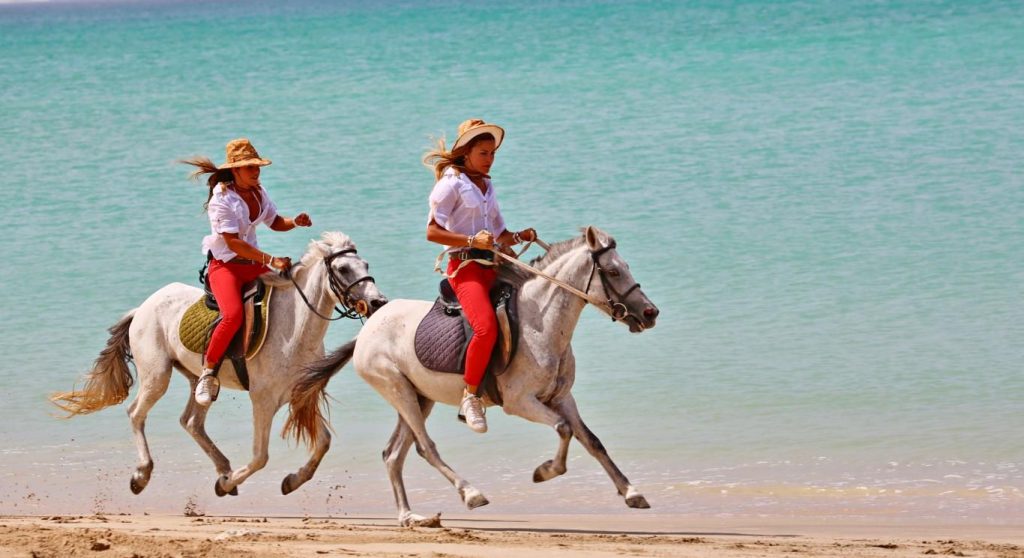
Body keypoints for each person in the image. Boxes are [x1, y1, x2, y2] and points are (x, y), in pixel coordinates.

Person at [424, 119, 536, 433]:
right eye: (483, 153)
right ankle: (470, 396)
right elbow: (432, 231)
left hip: (493, 264)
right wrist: (472, 241)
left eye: (492, 153)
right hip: (465, 269)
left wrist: (520, 236)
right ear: (466, 153)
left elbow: (499, 234)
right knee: (485, 329)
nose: (489, 159)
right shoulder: (450, 184)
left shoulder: (487, 185)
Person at [181, 138, 312, 406]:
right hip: (226, 267)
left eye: (257, 166)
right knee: (232, 316)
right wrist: (271, 259)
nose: (256, 171)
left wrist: (294, 222)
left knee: (290, 292)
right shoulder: (221, 199)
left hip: (253, 265)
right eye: (250, 167)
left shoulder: (258, 192)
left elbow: (275, 222)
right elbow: (233, 243)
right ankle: (208, 372)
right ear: (235, 170)